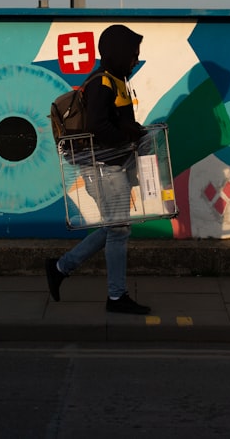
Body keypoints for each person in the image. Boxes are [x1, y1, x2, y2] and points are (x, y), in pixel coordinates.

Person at [45, 24, 150, 315]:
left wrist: (130, 130)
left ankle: (59, 268)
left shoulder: (115, 81)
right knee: (118, 230)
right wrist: (127, 136)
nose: (135, 60)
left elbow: (114, 122)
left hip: (113, 165)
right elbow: (97, 127)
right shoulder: (102, 83)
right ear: (117, 53)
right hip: (104, 167)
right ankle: (116, 297)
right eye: (132, 54)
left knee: (116, 228)